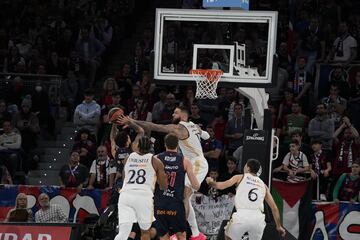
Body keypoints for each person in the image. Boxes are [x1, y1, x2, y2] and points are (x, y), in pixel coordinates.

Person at [118, 106, 210, 240]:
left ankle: (183, 231)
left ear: (183, 116)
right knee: (186, 197)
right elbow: (206, 136)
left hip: (196, 163)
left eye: (175, 112)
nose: (173, 114)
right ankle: (196, 234)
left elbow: (154, 126)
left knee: (185, 194)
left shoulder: (180, 128)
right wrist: (199, 130)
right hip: (194, 161)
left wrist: (131, 121)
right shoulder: (193, 125)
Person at [206, 159, 286, 240]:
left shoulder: (240, 177)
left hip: (242, 215)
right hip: (258, 219)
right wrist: (279, 226)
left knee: (227, 236)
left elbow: (221, 186)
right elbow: (274, 208)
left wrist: (210, 182)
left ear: (248, 168)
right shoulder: (264, 185)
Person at [114, 135, 168, 240]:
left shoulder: (127, 158)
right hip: (143, 197)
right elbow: (163, 186)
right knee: (145, 233)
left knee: (123, 233)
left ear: (137, 146)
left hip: (126, 196)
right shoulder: (155, 161)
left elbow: (125, 179)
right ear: (150, 147)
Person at [154, 133, 200, 240]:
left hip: (160, 203)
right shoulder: (185, 161)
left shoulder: (156, 158)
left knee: (163, 237)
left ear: (165, 144)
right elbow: (196, 186)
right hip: (175, 204)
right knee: (181, 236)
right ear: (178, 145)